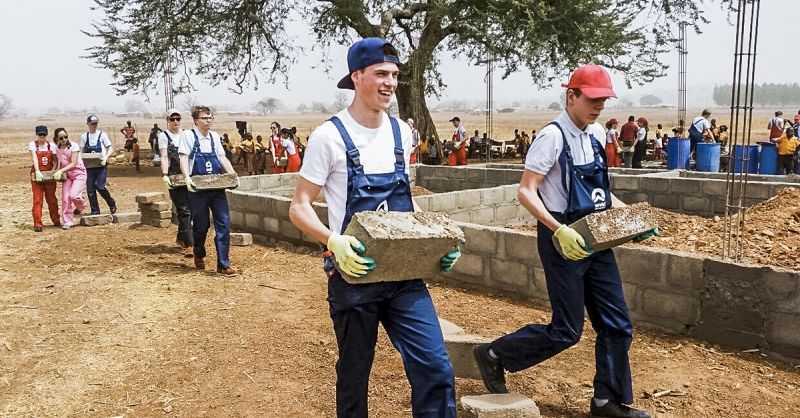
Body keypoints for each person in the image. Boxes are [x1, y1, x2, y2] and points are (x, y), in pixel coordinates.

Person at [288, 37, 457, 417]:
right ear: (357, 76)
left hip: (404, 277)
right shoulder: (329, 137)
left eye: (395, 75)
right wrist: (334, 241)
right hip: (354, 278)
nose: (390, 83)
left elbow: (405, 203)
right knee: (354, 373)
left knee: (435, 367)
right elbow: (299, 207)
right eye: (381, 73)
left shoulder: (402, 133)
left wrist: (434, 247)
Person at [473, 64, 654, 418]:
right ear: (571, 95)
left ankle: (606, 401)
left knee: (617, 324)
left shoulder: (597, 134)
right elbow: (526, 192)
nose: (599, 106)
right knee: (567, 330)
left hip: (598, 236)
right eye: (592, 98)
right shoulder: (552, 137)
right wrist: (558, 229)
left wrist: (633, 220)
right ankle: (494, 354)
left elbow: (602, 195)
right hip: (563, 237)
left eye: (604, 99)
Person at [178, 105, 238, 275]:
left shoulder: (214, 137)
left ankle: (223, 264)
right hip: (198, 189)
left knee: (223, 223)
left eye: (210, 117)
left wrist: (233, 174)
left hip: (216, 187)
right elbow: (183, 157)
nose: (208, 121)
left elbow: (221, 157)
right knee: (201, 225)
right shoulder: (188, 136)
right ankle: (199, 252)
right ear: (196, 120)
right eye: (205, 118)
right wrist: (187, 177)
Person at [158, 108, 193, 257]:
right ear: (168, 120)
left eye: (178, 118)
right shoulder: (164, 136)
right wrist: (165, 174)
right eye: (172, 119)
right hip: (174, 176)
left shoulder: (187, 134)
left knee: (190, 209)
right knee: (184, 209)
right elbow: (165, 156)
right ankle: (190, 245)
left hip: (188, 175)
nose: (175, 122)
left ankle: (181, 238)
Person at [80, 115, 117, 215]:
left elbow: (110, 148)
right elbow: (81, 151)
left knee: (100, 186)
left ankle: (111, 202)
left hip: (101, 166)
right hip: (89, 167)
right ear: (88, 124)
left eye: (96, 123)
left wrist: (106, 158)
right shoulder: (84, 136)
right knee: (90, 189)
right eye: (92, 123)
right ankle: (95, 211)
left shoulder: (102, 135)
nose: (94, 125)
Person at [53, 128, 86, 230]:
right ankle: (68, 221)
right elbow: (57, 162)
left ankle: (81, 207)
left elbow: (73, 163)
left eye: (65, 137)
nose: (64, 139)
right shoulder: (56, 148)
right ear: (56, 139)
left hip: (78, 173)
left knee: (74, 195)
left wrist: (61, 171)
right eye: (61, 138)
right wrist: (54, 173)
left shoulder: (74, 146)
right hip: (67, 175)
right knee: (65, 198)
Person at [29, 125, 60, 232]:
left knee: (51, 199)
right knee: (38, 199)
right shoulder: (33, 145)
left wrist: (52, 172)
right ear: (36, 135)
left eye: (44, 134)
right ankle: (37, 223)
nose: (42, 136)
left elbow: (56, 160)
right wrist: (37, 171)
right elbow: (34, 158)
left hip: (49, 176)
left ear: (47, 135)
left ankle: (56, 219)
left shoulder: (51, 146)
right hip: (37, 176)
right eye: (39, 134)